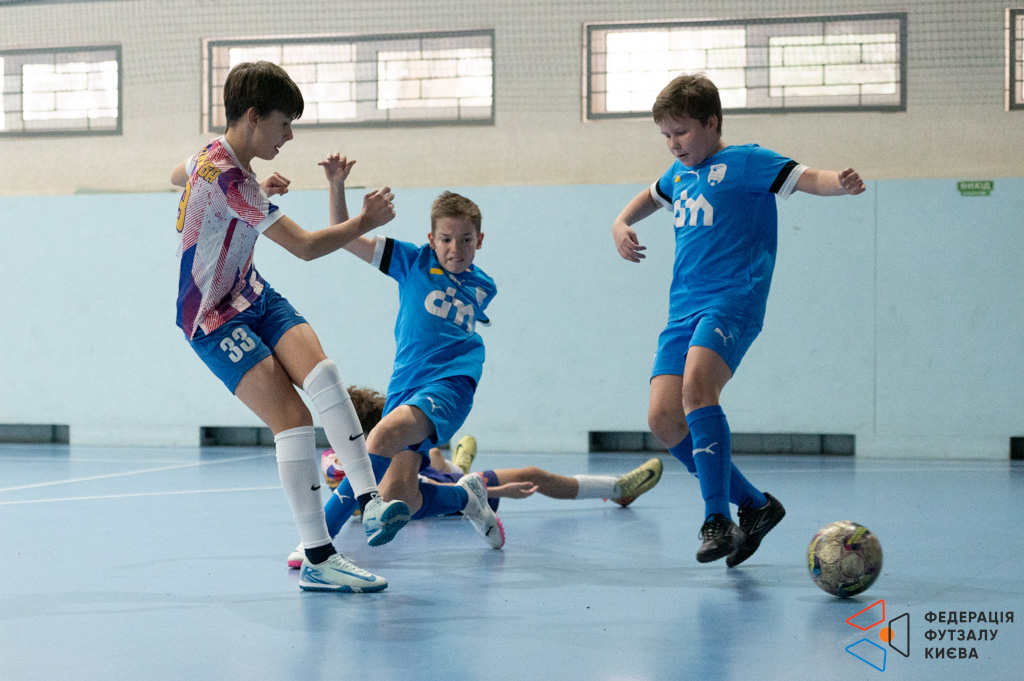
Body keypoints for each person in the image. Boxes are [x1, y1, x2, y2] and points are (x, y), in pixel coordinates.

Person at [170, 60, 410, 593]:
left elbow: (176, 175)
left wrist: (248, 194)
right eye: (284, 124)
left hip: (252, 291)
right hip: (212, 318)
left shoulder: (214, 158)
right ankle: (320, 558)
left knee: (324, 373)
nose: (289, 136)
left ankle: (371, 501)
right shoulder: (232, 180)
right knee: (294, 420)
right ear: (254, 117)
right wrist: (363, 222)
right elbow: (304, 248)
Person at [611, 73, 865, 566]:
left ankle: (716, 518)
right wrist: (621, 222)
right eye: (665, 135)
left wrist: (840, 183)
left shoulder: (747, 161)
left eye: (681, 132)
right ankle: (756, 506)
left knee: (697, 390)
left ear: (712, 122)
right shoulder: (679, 174)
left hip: (732, 300)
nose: (673, 143)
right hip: (682, 309)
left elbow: (806, 178)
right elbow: (651, 195)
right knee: (663, 419)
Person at [287, 386, 665, 568]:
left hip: (438, 480)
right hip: (455, 492)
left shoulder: (394, 450)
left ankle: (618, 488)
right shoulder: (351, 464)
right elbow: (425, 492)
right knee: (529, 475)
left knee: (436, 460)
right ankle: (616, 487)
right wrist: (502, 491)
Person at [321, 185, 505, 548]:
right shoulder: (412, 261)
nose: (455, 248)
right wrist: (336, 185)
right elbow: (343, 236)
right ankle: (465, 498)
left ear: (480, 240)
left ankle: (319, 538)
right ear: (431, 240)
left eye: (466, 239)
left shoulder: (484, 286)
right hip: (406, 386)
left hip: (451, 384)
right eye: (446, 239)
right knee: (399, 499)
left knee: (382, 436)